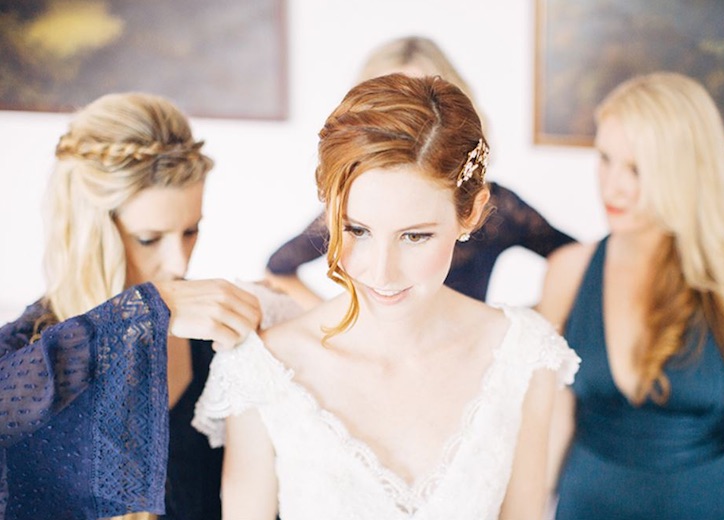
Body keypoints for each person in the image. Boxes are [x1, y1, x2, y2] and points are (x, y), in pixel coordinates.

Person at [193, 73, 580, 520]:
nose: (380, 272)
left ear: (470, 214)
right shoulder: (263, 365)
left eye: (415, 237)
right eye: (357, 230)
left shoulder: (523, 355)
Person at [0, 92, 300, 520]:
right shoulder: (30, 348)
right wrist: (138, 313)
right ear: (90, 233)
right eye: (149, 238)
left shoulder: (213, 340)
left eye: (190, 231)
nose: (179, 263)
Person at [537, 72, 724, 519]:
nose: (611, 186)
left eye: (636, 169)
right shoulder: (567, 273)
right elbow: (551, 424)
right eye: (605, 159)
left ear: (685, 172)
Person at [264, 35, 574, 308]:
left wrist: (530, 326)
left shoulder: (500, 207)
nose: (406, 123)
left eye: (416, 236)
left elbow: (575, 257)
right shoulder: (351, 205)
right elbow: (278, 268)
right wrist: (338, 322)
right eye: (360, 230)